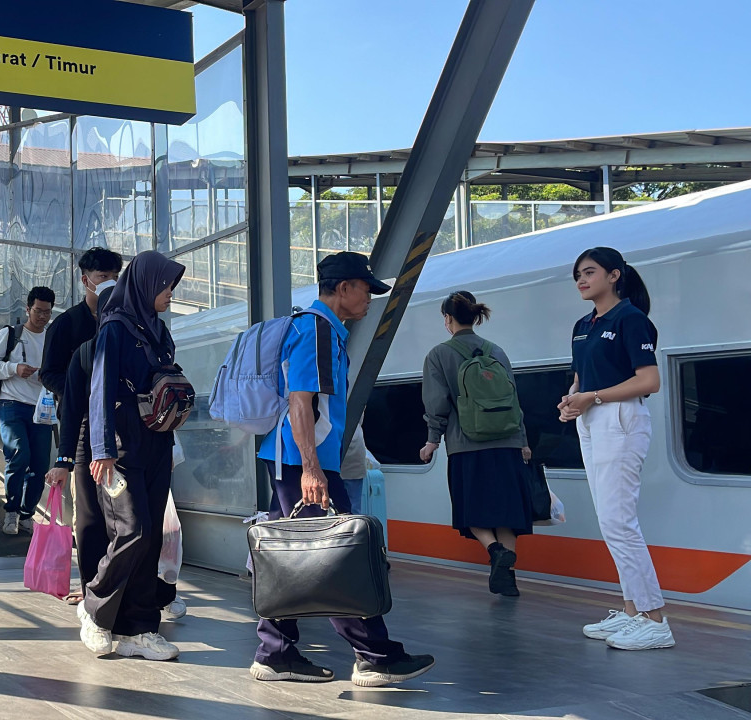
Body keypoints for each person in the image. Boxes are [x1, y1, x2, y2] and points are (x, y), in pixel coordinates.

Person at [251, 252, 434, 686]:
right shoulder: (315, 329)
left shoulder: (322, 329)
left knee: (290, 558)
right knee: (339, 556)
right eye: (367, 288)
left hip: (297, 459)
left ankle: (274, 652)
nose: (371, 297)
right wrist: (313, 470)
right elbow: (300, 402)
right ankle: (374, 655)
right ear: (344, 287)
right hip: (303, 461)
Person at [45, 280, 186, 621]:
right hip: (90, 451)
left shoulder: (144, 345)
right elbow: (73, 411)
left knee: (137, 528)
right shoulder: (89, 351)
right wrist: (65, 461)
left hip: (133, 450)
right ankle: (95, 589)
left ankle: (146, 594)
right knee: (95, 526)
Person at [558, 247, 673, 651]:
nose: (581, 280)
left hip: (621, 418)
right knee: (611, 522)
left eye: (589, 272)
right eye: (577, 274)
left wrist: (593, 397)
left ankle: (655, 619)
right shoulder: (582, 325)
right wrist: (572, 399)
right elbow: (580, 377)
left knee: (619, 522)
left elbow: (649, 381)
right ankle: (632, 612)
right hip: (593, 420)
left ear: (615, 276)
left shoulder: (631, 319)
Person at [84, 251, 187, 662]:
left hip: (158, 446)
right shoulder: (115, 329)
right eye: (166, 286)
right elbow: (101, 390)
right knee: (133, 531)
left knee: (150, 540)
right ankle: (94, 607)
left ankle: (138, 630)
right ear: (145, 284)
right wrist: (102, 449)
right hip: (123, 450)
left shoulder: (158, 330)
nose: (170, 294)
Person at [420, 291, 533, 597]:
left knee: (472, 510)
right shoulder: (496, 351)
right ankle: (507, 580)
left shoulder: (438, 355)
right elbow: (513, 399)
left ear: (447, 319)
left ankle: (495, 551)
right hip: (507, 443)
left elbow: (436, 403)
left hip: (466, 445)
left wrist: (432, 441)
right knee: (506, 511)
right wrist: (521, 440)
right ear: (475, 316)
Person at [0, 287, 55, 535]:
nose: (42, 317)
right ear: (27, 309)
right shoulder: (11, 334)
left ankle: (27, 514)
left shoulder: (52, 338)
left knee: (40, 464)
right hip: (11, 404)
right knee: (19, 454)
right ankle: (11, 511)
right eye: (38, 311)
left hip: (42, 409)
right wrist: (15, 368)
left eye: (47, 312)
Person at [40, 247, 123, 410]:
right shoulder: (66, 323)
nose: (112, 283)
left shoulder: (122, 320)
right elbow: (48, 374)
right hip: (80, 416)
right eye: (103, 276)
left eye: (115, 277)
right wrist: (82, 392)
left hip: (119, 414)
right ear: (85, 281)